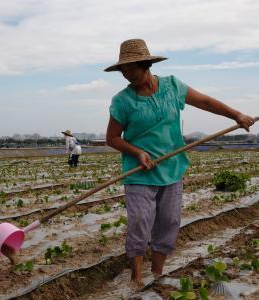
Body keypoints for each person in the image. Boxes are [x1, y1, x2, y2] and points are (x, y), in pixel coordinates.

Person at [104, 39, 255, 288]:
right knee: (140, 221)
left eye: (132, 69)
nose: (128, 75)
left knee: (169, 221)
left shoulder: (172, 86)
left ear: (146, 65)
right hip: (139, 172)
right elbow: (112, 138)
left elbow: (205, 101)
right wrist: (138, 152)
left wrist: (236, 115)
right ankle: (137, 279)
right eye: (124, 71)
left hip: (172, 168)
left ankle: (157, 274)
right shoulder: (122, 101)